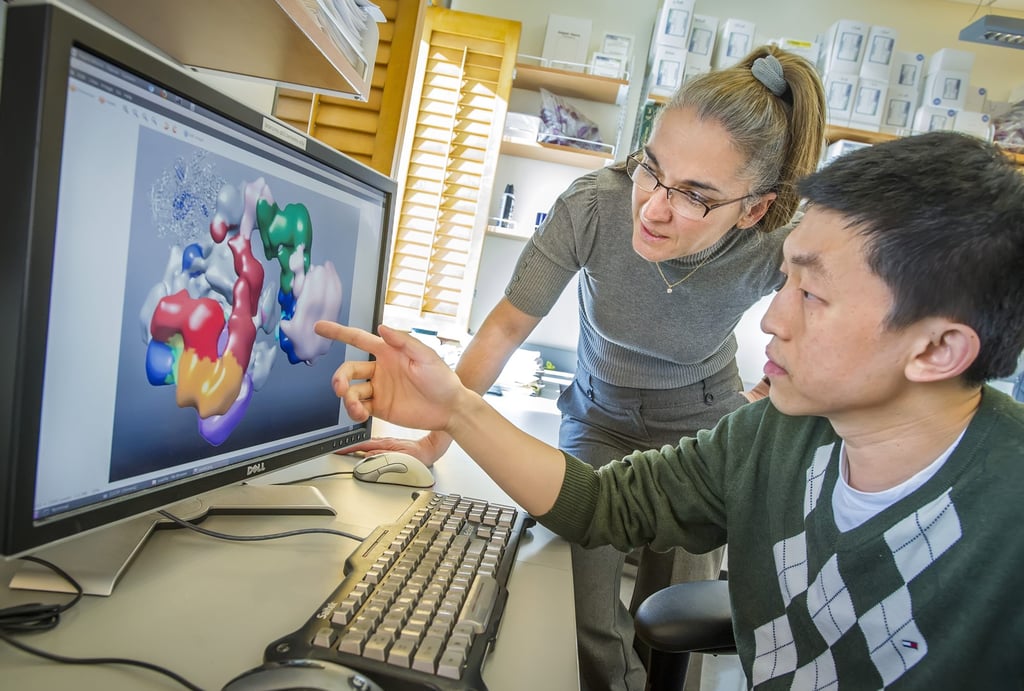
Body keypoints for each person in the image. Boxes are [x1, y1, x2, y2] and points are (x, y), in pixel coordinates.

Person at [315, 130, 1024, 689]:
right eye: (786, 282)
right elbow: (603, 503)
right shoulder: (772, 436)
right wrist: (458, 409)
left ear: (937, 350)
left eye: (811, 294)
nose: (774, 320)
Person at [346, 44, 826, 690]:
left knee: (672, 621)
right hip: (599, 418)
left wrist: (766, 398)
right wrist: (435, 436)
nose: (653, 206)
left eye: (695, 196)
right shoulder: (594, 206)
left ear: (754, 208)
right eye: (653, 169)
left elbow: (827, 323)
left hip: (704, 427)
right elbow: (507, 326)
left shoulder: (774, 243)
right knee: (585, 620)